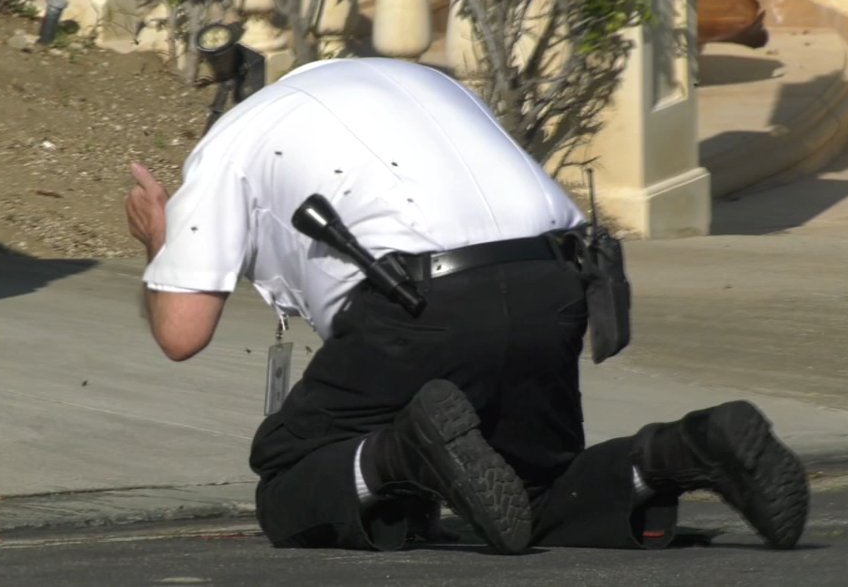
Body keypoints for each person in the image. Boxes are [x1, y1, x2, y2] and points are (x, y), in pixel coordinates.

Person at [125, 57, 809, 554]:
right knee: (537, 488)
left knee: (288, 479)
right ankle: (686, 448)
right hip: (555, 279)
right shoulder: (427, 82)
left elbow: (182, 331)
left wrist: (163, 242)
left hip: (419, 300)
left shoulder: (230, 141)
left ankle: (402, 458)